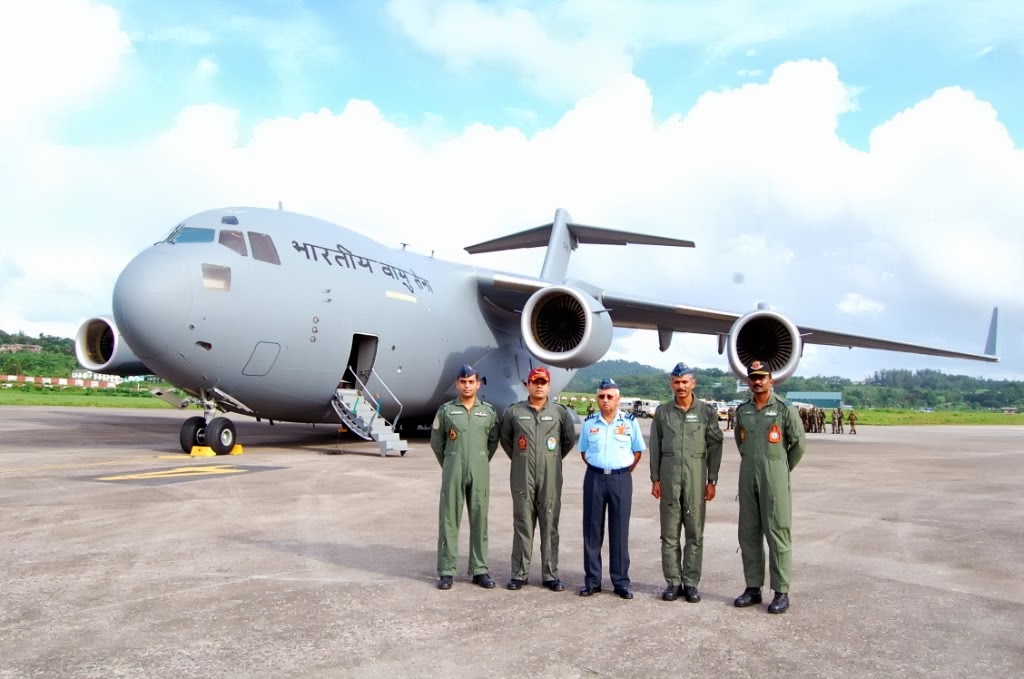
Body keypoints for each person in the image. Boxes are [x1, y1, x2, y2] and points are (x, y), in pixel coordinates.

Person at [733, 360, 806, 614]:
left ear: (771, 380)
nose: (757, 381)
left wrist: (780, 469)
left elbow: (798, 445)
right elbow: (740, 442)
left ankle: (781, 591)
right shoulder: (743, 411)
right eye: (753, 377)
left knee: (778, 532)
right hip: (748, 475)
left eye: (762, 377)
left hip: (774, 475)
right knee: (749, 533)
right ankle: (753, 588)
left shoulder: (785, 409)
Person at [649, 362, 724, 603]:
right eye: (676, 382)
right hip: (669, 476)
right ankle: (673, 582)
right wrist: (655, 479)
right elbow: (655, 447)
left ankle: (690, 582)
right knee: (669, 533)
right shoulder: (662, 412)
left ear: (693, 383)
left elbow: (715, 445)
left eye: (685, 382)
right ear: (671, 383)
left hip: (696, 474)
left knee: (695, 532)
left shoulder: (706, 412)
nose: (681, 386)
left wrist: (712, 479)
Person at [499, 367, 577, 592]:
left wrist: (549, 460)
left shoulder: (560, 413)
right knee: (522, 523)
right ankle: (519, 574)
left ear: (549, 386)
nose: (539, 385)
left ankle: (550, 574)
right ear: (528, 385)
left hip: (550, 476)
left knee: (550, 524)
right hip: (522, 476)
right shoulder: (514, 412)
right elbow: (507, 441)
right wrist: (522, 460)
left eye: (543, 382)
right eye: (535, 382)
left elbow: (567, 441)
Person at [431, 364, 499, 590]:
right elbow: (437, 441)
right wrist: (450, 461)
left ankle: (480, 569)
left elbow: (492, 441)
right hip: (453, 469)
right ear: (457, 384)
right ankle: (446, 570)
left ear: (478, 384)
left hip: (479, 470)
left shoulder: (488, 412)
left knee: (480, 519)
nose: (467, 385)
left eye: (471, 381)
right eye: (463, 381)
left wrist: (479, 460)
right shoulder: (447, 411)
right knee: (449, 519)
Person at [578, 378, 645, 599]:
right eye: (601, 396)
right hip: (595, 478)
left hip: (620, 479)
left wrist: (622, 471)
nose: (605, 400)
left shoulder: (630, 421)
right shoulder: (589, 423)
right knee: (592, 531)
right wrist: (600, 468)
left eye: (610, 396)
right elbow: (584, 453)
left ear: (618, 399)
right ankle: (592, 581)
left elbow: (637, 451)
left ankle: (621, 581)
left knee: (619, 531)